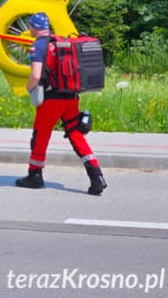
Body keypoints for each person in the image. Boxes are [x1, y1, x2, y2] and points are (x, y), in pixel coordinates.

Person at [16, 12, 107, 195]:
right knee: (75, 133)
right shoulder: (58, 42)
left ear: (34, 27)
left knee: (41, 134)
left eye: (30, 26)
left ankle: (35, 175)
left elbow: (35, 75)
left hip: (52, 99)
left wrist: (29, 88)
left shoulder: (38, 46)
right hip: (71, 97)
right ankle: (96, 175)